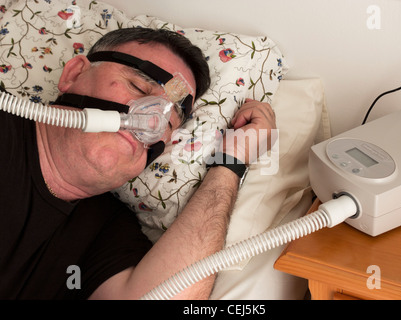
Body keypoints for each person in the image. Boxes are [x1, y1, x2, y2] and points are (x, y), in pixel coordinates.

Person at [0, 28, 277, 300]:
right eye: (138, 86)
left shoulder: (107, 231)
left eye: (168, 122)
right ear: (74, 74)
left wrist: (230, 162)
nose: (150, 120)